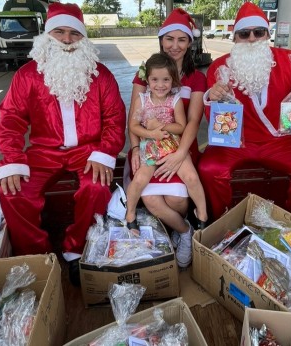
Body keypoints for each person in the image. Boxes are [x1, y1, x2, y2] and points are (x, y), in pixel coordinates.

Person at [0, 2, 126, 285]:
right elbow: (10, 119)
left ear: (84, 38)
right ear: (46, 36)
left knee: (96, 187)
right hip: (43, 152)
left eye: (74, 34)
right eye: (59, 32)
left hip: (89, 150)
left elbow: (116, 119)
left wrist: (105, 152)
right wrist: (12, 158)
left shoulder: (100, 75)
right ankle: (40, 259)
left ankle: (77, 251)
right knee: (13, 193)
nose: (67, 40)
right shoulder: (27, 75)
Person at [199, 2, 291, 221]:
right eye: (244, 33)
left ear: (267, 34)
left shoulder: (290, 60)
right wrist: (212, 98)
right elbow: (215, 120)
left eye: (258, 32)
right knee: (209, 168)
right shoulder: (219, 67)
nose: (252, 38)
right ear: (235, 38)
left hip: (279, 141)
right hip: (237, 143)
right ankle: (223, 223)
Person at [126, 8, 207, 268]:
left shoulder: (196, 77)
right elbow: (134, 119)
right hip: (149, 145)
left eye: (181, 39)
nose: (175, 45)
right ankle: (181, 231)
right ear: (161, 40)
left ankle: (182, 229)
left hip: (179, 146)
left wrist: (181, 153)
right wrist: (137, 148)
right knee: (150, 197)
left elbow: (191, 121)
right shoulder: (144, 74)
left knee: (177, 199)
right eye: (169, 39)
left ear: (190, 43)